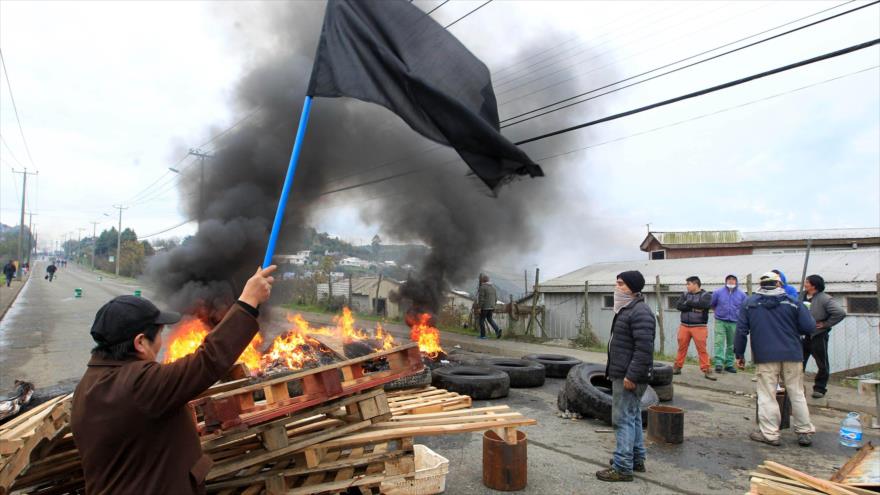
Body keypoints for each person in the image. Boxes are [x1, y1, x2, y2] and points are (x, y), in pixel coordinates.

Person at [71, 265, 276, 494]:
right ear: (140, 342)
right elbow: (208, 360)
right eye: (159, 334)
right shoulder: (139, 386)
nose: (161, 342)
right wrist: (248, 301)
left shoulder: (88, 386)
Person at [735, 271, 816, 447]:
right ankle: (804, 431)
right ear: (779, 284)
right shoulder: (794, 302)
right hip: (792, 353)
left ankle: (770, 434)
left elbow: (741, 330)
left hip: (765, 356)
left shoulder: (749, 303)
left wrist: (739, 354)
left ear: (761, 285)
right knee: (797, 392)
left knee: (766, 394)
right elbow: (809, 327)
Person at [596, 271, 655, 482]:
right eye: (616, 283)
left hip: (630, 375)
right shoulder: (628, 309)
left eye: (621, 284)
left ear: (632, 287)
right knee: (633, 416)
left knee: (622, 420)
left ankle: (622, 467)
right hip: (626, 372)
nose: (616, 287)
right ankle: (636, 459)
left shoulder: (640, 312)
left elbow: (643, 349)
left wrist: (631, 375)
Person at [801, 274, 846, 399]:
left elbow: (840, 313)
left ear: (813, 285)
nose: (805, 283)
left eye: (807, 282)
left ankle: (820, 388)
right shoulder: (801, 296)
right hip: (803, 335)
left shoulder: (825, 299)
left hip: (818, 335)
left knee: (822, 363)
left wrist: (826, 324)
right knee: (799, 362)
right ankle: (797, 386)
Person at [674, 276, 716, 380]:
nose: (687, 286)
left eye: (688, 284)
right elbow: (679, 306)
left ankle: (707, 370)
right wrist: (695, 307)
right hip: (684, 326)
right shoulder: (684, 294)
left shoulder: (706, 295)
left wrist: (688, 303)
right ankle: (677, 367)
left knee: (702, 349)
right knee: (681, 347)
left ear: (695, 284)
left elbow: (704, 305)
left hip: (699, 327)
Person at [711, 274, 746, 374]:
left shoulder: (742, 295)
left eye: (733, 279)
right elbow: (712, 304)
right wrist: (719, 313)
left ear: (736, 281)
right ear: (726, 281)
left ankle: (729, 364)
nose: (731, 281)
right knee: (719, 341)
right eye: (729, 279)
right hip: (720, 321)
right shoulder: (718, 292)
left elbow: (744, 308)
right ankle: (718, 363)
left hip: (735, 322)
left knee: (732, 344)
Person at [477, 274, 501, 339]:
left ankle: (483, 335)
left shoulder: (482, 287)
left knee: (481, 320)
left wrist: (479, 307)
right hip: (492, 307)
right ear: (488, 280)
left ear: (482, 280)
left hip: (484, 307)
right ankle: (497, 330)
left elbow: (481, 298)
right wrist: (493, 306)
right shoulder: (493, 288)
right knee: (489, 319)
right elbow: (496, 298)